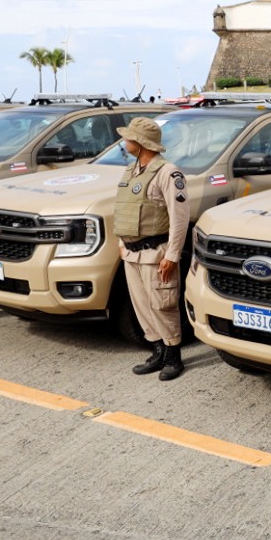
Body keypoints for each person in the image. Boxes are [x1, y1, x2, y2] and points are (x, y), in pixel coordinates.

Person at [114, 117, 190, 381]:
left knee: (162, 305)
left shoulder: (168, 173)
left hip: (156, 253)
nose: (124, 142)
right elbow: (125, 209)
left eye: (128, 138)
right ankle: (157, 351)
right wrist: (121, 244)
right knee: (143, 306)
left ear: (140, 142)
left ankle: (173, 356)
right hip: (132, 253)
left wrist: (171, 255)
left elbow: (179, 219)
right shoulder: (132, 170)